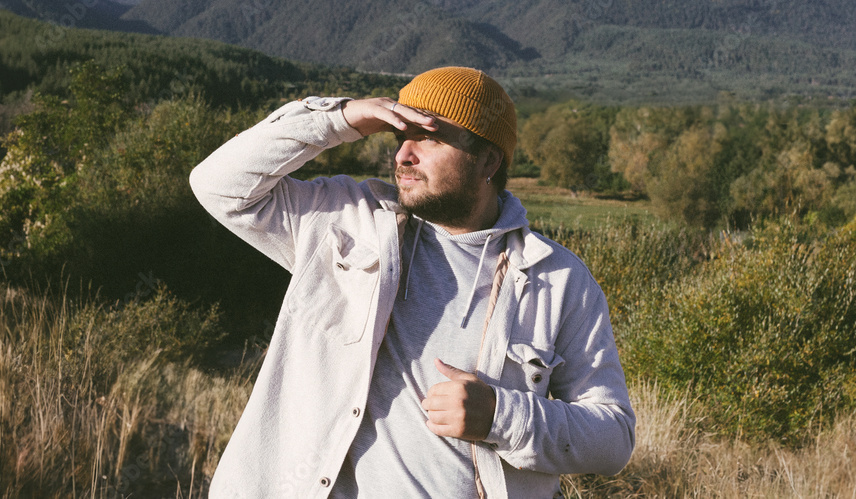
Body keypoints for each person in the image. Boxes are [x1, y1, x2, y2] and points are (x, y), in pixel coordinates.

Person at [190, 67, 635, 499]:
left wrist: (502, 416)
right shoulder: (343, 220)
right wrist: (341, 119)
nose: (403, 154)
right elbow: (218, 184)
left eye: (428, 137)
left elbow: (614, 436)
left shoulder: (556, 279)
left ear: (487, 160)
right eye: (400, 135)